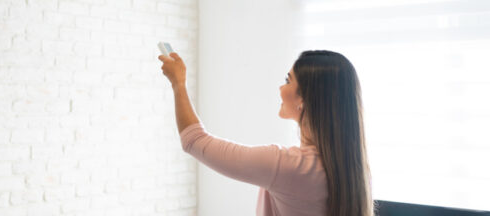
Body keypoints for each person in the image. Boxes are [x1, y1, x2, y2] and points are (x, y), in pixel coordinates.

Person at [158, 50, 373, 216]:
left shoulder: (289, 166)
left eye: (288, 80)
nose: (281, 88)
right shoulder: (351, 168)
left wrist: (178, 83)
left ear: (303, 99)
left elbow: (194, 140)